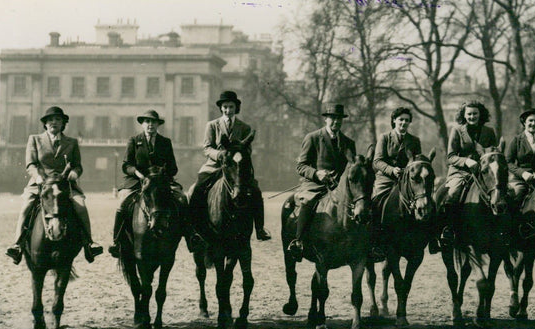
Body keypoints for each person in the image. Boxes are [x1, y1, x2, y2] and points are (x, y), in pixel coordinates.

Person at [6, 106, 103, 265]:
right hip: (40, 183)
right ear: (45, 124)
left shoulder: (71, 142)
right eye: (50, 120)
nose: (54, 123)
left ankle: (89, 244)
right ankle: (17, 245)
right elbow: (30, 164)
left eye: (58, 120)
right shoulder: (35, 139)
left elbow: (78, 165)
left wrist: (75, 173)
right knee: (26, 206)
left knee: (81, 206)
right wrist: (37, 176)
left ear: (63, 123)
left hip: (65, 184)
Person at [108, 110, 204, 257]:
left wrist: (163, 174)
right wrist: (138, 173)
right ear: (142, 124)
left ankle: (191, 237)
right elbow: (126, 165)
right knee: (123, 202)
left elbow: (173, 167)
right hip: (137, 181)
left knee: (182, 198)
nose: (150, 125)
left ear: (158, 125)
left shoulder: (165, 142)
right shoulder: (134, 141)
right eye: (147, 122)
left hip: (161, 182)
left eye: (153, 122)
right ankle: (117, 241)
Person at [189, 91, 271, 241]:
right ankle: (194, 230)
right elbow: (206, 148)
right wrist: (221, 155)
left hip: (236, 168)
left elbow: (247, 150)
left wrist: (236, 156)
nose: (228, 110)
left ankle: (260, 229)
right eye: (225, 107)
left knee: (255, 190)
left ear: (236, 107)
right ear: (221, 108)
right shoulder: (212, 125)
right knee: (197, 189)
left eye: (231, 107)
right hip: (214, 166)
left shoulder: (244, 127)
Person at [287, 103, 356, 261]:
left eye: (339, 119)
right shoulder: (312, 138)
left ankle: (365, 245)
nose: (336, 122)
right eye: (332, 118)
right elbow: (301, 166)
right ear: (326, 119)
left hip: (339, 187)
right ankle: (298, 241)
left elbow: (352, 167)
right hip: (315, 185)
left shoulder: (348, 143)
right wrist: (316, 173)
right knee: (308, 203)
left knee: (361, 204)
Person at [439, 100, 498, 247]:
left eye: (475, 114)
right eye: (469, 114)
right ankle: (449, 229)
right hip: (460, 172)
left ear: (480, 114)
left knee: (501, 192)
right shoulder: (457, 130)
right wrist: (466, 161)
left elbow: (494, 153)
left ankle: (502, 231)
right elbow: (450, 157)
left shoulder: (489, 131)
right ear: (464, 115)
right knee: (452, 195)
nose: (472, 117)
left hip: (484, 173)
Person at [370, 107, 423, 260]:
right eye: (401, 120)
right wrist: (392, 170)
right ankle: (375, 242)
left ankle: (425, 238)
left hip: (406, 181)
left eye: (407, 120)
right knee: (376, 203)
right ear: (394, 121)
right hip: (386, 179)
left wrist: (407, 171)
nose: (404, 123)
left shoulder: (414, 141)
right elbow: (377, 161)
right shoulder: (385, 137)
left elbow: (417, 162)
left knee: (423, 200)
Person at [505, 108, 535, 208]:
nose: (533, 123)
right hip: (521, 180)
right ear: (524, 123)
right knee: (515, 197)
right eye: (530, 120)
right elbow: (508, 162)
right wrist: (523, 173)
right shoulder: (516, 140)